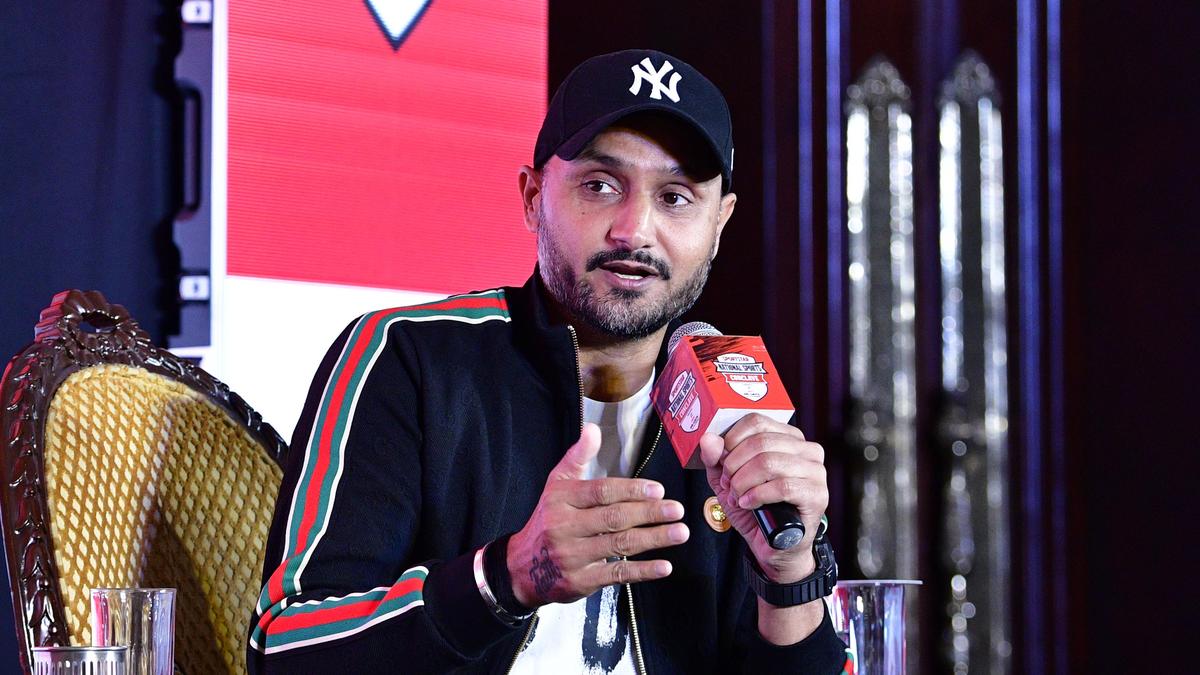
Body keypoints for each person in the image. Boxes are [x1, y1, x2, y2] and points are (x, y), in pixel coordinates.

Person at [247, 49, 847, 674]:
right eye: (600, 185)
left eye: (675, 197)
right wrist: (504, 579)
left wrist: (788, 575)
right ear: (533, 197)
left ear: (719, 224)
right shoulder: (408, 358)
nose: (634, 230)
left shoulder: (733, 403)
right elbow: (283, 649)